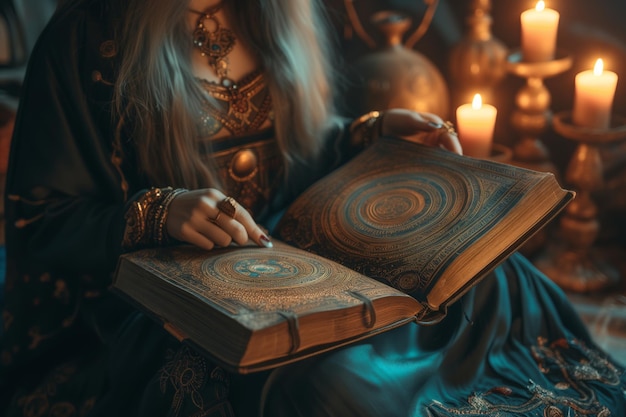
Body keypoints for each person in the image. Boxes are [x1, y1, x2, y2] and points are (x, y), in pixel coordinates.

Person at [0, 0, 624, 416]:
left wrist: (370, 135)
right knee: (335, 386)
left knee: (492, 282)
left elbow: (301, 149)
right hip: (173, 307)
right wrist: (156, 213)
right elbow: (37, 218)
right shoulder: (85, 38)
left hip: (301, 253)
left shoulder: (277, 12)